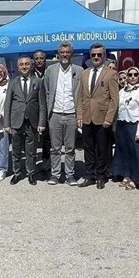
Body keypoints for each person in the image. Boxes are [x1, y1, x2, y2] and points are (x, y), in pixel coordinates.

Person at [77, 43, 119, 190]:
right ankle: (90, 175)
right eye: (93, 55)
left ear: (104, 56)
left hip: (102, 118)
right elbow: (80, 96)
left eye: (99, 54)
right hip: (87, 116)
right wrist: (79, 115)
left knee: (102, 149)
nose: (96, 57)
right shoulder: (84, 73)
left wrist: (109, 118)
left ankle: (101, 176)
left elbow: (114, 99)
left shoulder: (111, 74)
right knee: (88, 148)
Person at [43, 41, 83, 186]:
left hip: (72, 114)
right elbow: (47, 91)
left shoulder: (79, 70)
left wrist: (80, 115)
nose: (65, 55)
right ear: (58, 54)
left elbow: (81, 94)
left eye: (67, 52)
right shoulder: (51, 70)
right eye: (62, 52)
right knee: (55, 148)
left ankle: (70, 175)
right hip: (55, 114)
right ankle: (55, 174)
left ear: (71, 54)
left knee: (70, 148)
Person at [4, 56, 46, 186]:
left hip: (32, 121)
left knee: (31, 151)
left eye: (27, 64)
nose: (24, 66)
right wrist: (7, 124)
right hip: (16, 121)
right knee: (16, 150)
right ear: (18, 67)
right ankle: (17, 173)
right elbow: (7, 104)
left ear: (31, 66)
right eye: (21, 64)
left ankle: (31, 173)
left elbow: (42, 104)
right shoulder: (12, 82)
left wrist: (41, 122)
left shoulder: (38, 82)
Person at [112, 66, 139, 190]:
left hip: (134, 125)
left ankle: (136, 178)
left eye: (135, 74)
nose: (132, 77)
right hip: (122, 125)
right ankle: (126, 175)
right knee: (124, 152)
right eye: (130, 75)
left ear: (138, 76)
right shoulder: (122, 92)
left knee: (135, 152)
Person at [32, 49, 50, 173]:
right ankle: (31, 163)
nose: (39, 61)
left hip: (48, 109)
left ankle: (46, 160)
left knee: (47, 138)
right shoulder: (29, 74)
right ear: (33, 60)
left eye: (41, 58)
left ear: (45, 59)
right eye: (37, 58)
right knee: (32, 138)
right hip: (34, 110)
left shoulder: (50, 72)